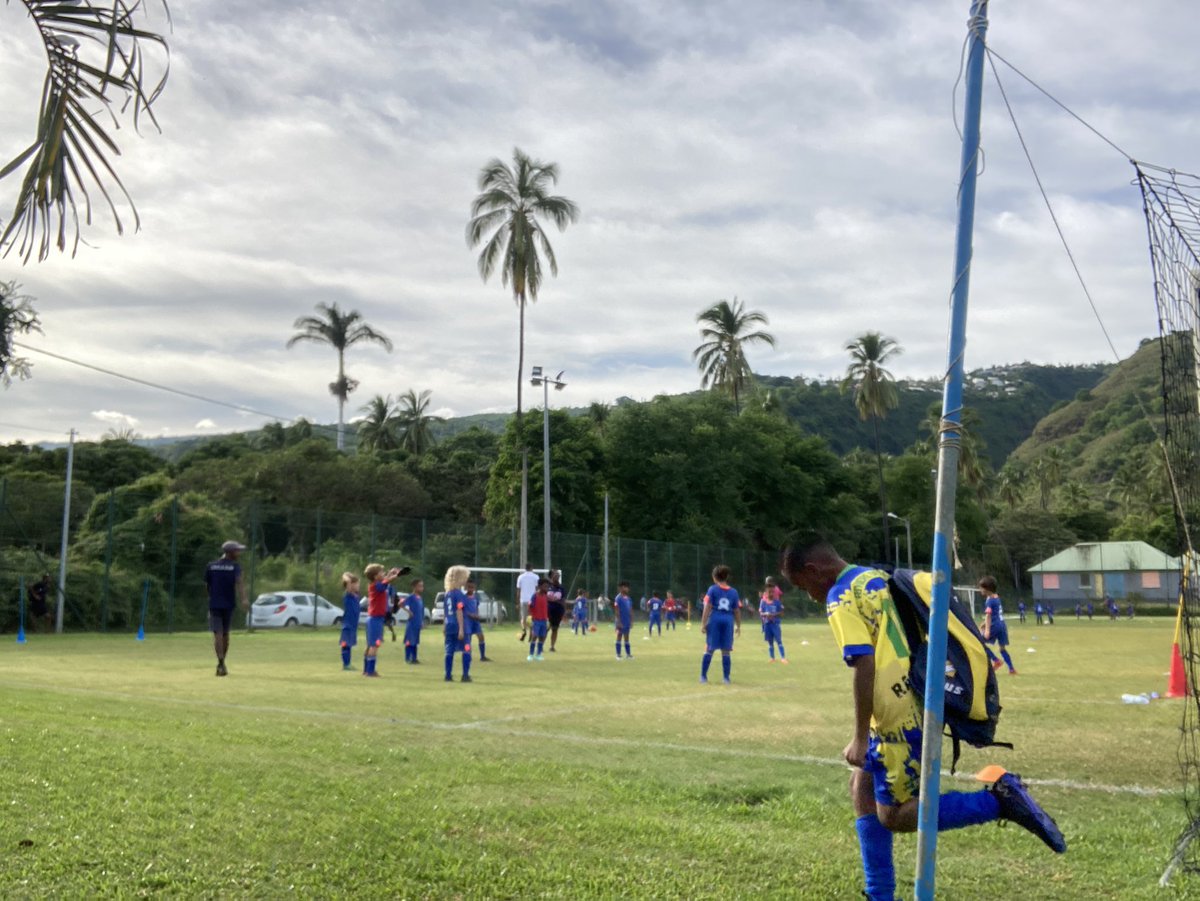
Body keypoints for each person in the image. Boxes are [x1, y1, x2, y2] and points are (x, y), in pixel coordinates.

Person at [781, 535, 1065, 901]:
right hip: (916, 694)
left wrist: (859, 737)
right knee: (861, 786)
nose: (808, 595)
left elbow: (864, 663)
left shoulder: (840, 596)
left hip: (896, 717)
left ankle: (999, 800)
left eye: (802, 586)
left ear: (813, 571)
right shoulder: (875, 576)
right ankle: (879, 894)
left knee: (894, 815)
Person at [205, 540, 249, 677]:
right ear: (230, 553)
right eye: (237, 550)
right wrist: (244, 599)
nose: (239, 553)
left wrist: (211, 599)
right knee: (225, 634)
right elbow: (240, 583)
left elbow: (207, 586)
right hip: (228, 604)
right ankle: (222, 663)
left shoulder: (211, 566)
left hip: (214, 604)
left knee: (217, 633)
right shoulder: (235, 567)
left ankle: (220, 662)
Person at [700, 564, 742, 684]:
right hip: (728, 621)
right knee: (726, 650)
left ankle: (703, 677)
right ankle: (726, 678)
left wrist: (703, 623)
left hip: (715, 619)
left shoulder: (712, 589)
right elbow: (737, 610)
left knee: (709, 648)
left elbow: (707, 606)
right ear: (726, 577)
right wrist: (738, 626)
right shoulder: (734, 592)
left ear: (714, 577)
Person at [363, 563, 403, 677]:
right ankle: (371, 671)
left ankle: (366, 669)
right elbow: (387, 582)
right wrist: (396, 575)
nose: (384, 573)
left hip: (373, 619)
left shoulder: (375, 585)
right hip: (375, 619)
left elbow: (385, 581)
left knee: (370, 645)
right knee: (375, 645)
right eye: (381, 572)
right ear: (375, 576)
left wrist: (390, 574)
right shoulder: (376, 586)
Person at [979, 576, 1017, 676]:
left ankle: (996, 660)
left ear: (987, 589)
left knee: (980, 642)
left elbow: (988, 615)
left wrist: (987, 630)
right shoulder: (996, 597)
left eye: (981, 588)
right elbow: (995, 613)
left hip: (994, 625)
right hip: (1002, 625)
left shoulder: (990, 600)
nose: (980, 590)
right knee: (1002, 648)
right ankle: (1011, 669)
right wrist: (983, 624)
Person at [442, 565, 473, 682]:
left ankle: (448, 675)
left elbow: (446, 612)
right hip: (460, 625)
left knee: (449, 650)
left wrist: (444, 626)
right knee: (467, 648)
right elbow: (459, 610)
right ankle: (465, 675)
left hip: (449, 625)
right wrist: (461, 629)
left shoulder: (447, 594)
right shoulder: (458, 594)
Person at [396, 578, 425, 664]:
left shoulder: (419, 598)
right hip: (412, 623)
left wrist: (422, 621)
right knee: (409, 640)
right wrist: (408, 611)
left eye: (422, 586)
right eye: (420, 586)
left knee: (415, 641)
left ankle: (414, 658)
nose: (422, 588)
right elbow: (400, 604)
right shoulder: (411, 597)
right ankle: (408, 658)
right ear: (414, 587)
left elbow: (421, 611)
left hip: (417, 623)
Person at [463, 579, 490, 662]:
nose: (470, 589)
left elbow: (476, 607)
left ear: (474, 588)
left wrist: (477, 614)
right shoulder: (463, 598)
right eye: (469, 587)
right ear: (466, 588)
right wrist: (471, 615)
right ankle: (467, 654)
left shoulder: (475, 597)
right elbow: (462, 610)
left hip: (475, 621)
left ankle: (482, 656)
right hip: (468, 621)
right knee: (468, 640)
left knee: (481, 636)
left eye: (472, 587)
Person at [339, 572, 361, 671]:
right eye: (356, 584)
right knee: (346, 645)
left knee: (349, 645)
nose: (358, 586)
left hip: (353, 625)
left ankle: (348, 663)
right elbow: (346, 579)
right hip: (347, 625)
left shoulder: (356, 596)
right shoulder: (348, 595)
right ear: (350, 585)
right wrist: (348, 577)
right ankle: (346, 664)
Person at [758, 584, 787, 663]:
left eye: (773, 592)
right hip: (767, 624)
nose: (771, 594)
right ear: (766, 593)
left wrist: (774, 615)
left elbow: (782, 613)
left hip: (775, 624)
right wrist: (766, 614)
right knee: (770, 642)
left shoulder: (777, 602)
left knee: (779, 640)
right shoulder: (763, 602)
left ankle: (783, 658)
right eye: (769, 592)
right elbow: (760, 612)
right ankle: (772, 658)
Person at [527, 577, 550, 661]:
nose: (546, 588)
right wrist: (531, 617)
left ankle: (539, 654)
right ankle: (531, 654)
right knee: (534, 636)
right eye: (545, 586)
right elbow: (530, 606)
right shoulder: (535, 595)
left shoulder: (545, 596)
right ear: (540, 586)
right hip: (536, 620)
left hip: (544, 620)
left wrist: (547, 619)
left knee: (542, 637)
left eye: (547, 587)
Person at [516, 563, 538, 642]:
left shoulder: (520, 577)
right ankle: (531, 635)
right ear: (531, 568)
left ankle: (524, 631)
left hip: (523, 600)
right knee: (532, 619)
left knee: (523, 619)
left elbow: (518, 591)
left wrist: (517, 602)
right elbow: (537, 590)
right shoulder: (536, 577)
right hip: (533, 601)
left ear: (525, 568)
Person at [546, 569, 566, 652]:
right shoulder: (547, 586)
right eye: (555, 575)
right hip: (548, 611)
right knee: (546, 628)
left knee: (555, 629)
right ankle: (540, 645)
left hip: (558, 611)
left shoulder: (561, 588)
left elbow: (563, 600)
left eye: (558, 575)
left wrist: (564, 612)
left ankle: (552, 646)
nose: (557, 576)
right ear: (551, 577)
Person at [613, 581, 633, 659]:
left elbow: (630, 610)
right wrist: (618, 621)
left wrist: (631, 621)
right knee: (619, 636)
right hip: (620, 620)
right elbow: (616, 610)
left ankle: (628, 654)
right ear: (622, 588)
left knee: (627, 636)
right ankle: (618, 655)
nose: (628, 589)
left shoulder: (629, 598)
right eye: (626, 587)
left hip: (627, 620)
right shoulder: (618, 598)